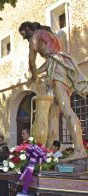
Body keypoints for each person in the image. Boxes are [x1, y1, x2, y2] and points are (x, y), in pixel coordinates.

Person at [19, 21, 88, 160]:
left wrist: (34, 75)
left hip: (58, 70)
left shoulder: (35, 35)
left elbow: (31, 61)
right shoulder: (48, 35)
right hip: (59, 65)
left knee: (66, 110)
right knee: (52, 114)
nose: (24, 37)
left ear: (28, 29)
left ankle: (80, 150)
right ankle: (47, 152)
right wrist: (36, 75)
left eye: (23, 34)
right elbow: (51, 60)